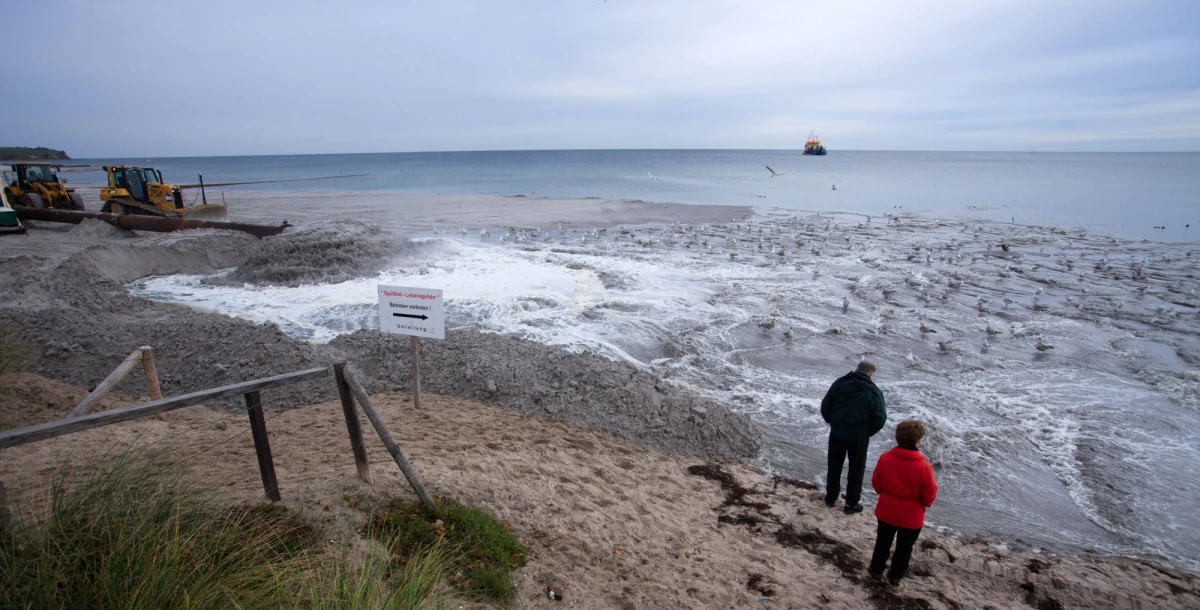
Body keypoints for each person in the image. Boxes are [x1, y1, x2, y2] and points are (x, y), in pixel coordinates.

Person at [869, 419, 938, 587]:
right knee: (905, 547)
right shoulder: (924, 466)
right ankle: (895, 576)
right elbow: (930, 492)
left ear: (897, 437)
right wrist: (924, 503)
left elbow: (876, 481)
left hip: (887, 510)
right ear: (918, 441)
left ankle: (876, 571)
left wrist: (883, 493)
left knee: (882, 542)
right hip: (911, 516)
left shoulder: (886, 457)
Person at [820, 360, 886, 514]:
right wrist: (867, 432)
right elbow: (880, 418)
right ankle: (851, 504)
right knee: (856, 470)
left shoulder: (840, 383)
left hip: (837, 432)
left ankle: (830, 498)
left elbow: (825, 406)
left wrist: (832, 422)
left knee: (834, 465)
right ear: (871, 374)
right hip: (859, 437)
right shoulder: (873, 391)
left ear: (857, 369)